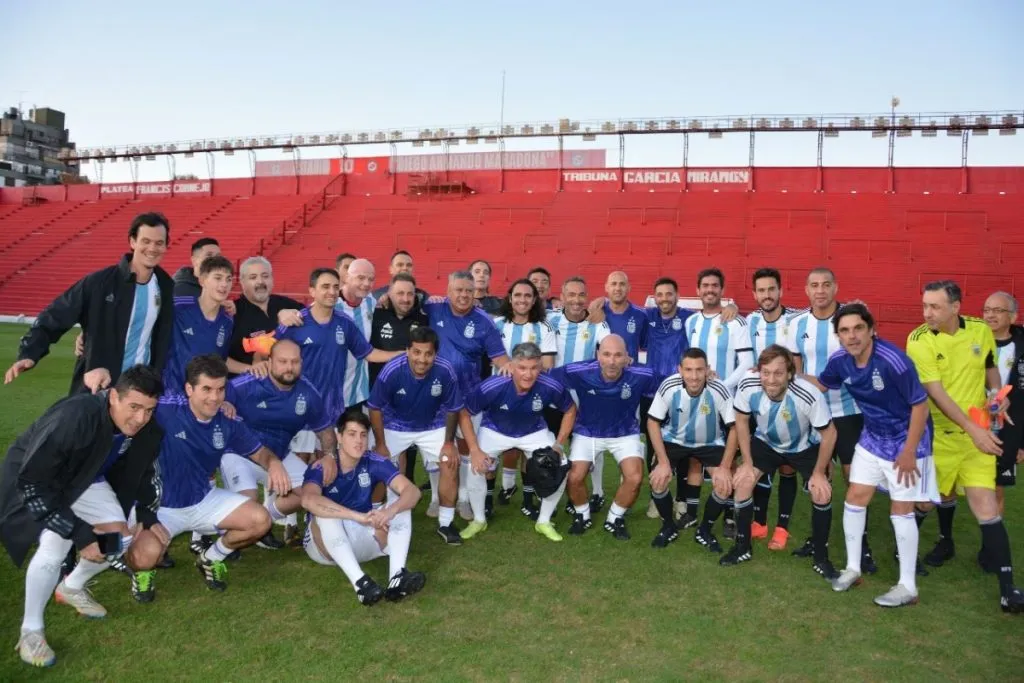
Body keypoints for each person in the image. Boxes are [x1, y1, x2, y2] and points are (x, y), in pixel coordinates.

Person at [0, 366, 168, 668]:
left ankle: (72, 586)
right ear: (113, 396)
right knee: (56, 547)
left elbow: (138, 472)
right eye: (134, 407)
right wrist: (79, 532)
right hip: (45, 479)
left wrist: (141, 512)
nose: (140, 418)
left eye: (149, 410)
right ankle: (31, 631)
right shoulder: (76, 417)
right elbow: (33, 481)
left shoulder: (147, 428)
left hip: (86, 479)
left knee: (118, 540)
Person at [806, 304, 938, 607]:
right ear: (838, 336)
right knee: (855, 496)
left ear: (871, 330)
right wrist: (790, 373)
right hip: (873, 437)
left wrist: (908, 452)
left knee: (901, 508)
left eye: (858, 328)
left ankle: (908, 586)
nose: (852, 336)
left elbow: (920, 406)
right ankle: (853, 569)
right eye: (844, 330)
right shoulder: (840, 360)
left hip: (908, 439)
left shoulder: (894, 361)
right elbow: (823, 384)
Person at [906, 281, 1024, 612]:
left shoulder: (979, 330)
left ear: (955, 307)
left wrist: (997, 396)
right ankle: (905, 552)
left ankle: (1008, 590)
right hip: (939, 436)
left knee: (987, 506)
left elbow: (990, 368)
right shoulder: (919, 340)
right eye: (925, 305)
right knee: (927, 502)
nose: (927, 313)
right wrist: (973, 430)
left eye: (935, 306)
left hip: (977, 435)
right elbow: (937, 393)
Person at [152, 355, 291, 594]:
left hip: (204, 500)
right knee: (145, 556)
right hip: (163, 507)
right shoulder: (165, 410)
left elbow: (259, 452)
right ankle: (140, 572)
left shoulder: (228, 421)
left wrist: (274, 463)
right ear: (189, 389)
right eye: (206, 389)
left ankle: (211, 557)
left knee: (261, 521)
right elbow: (130, 403)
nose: (215, 397)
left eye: (220, 389)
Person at [5, 212, 175, 395]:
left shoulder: (167, 288)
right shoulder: (99, 283)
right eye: (146, 241)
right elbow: (55, 315)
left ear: (166, 246)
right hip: (97, 388)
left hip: (140, 392)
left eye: (159, 243)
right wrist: (29, 353)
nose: (152, 248)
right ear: (133, 242)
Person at [723, 345, 839, 580]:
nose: (771, 380)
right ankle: (742, 547)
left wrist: (818, 472)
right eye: (766, 372)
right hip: (767, 443)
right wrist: (747, 462)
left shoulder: (808, 394)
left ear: (790, 373)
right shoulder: (748, 385)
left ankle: (820, 557)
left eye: (778, 373)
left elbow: (830, 434)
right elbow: (742, 421)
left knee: (821, 492)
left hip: (803, 446)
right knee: (743, 482)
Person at [783, 267, 868, 566]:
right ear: (807, 290)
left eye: (826, 284)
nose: (820, 290)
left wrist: (824, 382)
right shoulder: (797, 323)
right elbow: (795, 369)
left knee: (854, 476)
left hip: (848, 410)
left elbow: (863, 360)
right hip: (814, 411)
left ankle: (863, 544)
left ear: (835, 287)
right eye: (814, 285)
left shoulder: (850, 320)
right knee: (819, 475)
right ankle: (818, 539)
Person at [220, 340, 337, 549]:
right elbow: (216, 397)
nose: (289, 367)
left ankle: (268, 516)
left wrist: (329, 456)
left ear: (301, 363)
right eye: (283, 361)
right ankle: (221, 540)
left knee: (314, 492)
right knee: (246, 512)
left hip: (279, 457)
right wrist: (225, 403)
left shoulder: (308, 393)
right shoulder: (248, 383)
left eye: (294, 362)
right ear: (270, 361)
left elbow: (325, 430)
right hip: (239, 455)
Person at [300, 410, 426, 606]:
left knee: (401, 503)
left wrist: (388, 512)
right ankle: (361, 584)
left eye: (363, 435)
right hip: (323, 545)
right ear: (339, 437)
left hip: (359, 535)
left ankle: (397, 577)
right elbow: (308, 500)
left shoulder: (372, 460)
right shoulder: (322, 466)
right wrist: (358, 517)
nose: (358, 441)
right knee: (326, 513)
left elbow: (413, 491)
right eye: (352, 434)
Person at [461, 342, 576, 541]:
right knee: (475, 466)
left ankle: (544, 521)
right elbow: (464, 413)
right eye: (522, 368)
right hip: (495, 430)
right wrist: (474, 449)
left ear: (540, 367)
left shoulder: (550, 385)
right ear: (512, 366)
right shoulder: (493, 385)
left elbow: (570, 409)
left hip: (533, 431)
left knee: (559, 464)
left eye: (533, 368)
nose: (528, 374)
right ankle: (479, 520)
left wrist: (558, 444)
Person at [551, 334, 660, 540]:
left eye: (618, 355)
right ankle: (582, 515)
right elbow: (545, 375)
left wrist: (705, 375)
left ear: (627, 357)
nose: (612, 361)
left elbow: (673, 380)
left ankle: (614, 518)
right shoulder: (579, 371)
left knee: (635, 478)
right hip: (587, 432)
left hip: (625, 433)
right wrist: (511, 369)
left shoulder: (642, 374)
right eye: (607, 354)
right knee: (573, 477)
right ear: (598, 355)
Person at [422, 271, 510, 520]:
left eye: (468, 291)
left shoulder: (484, 321)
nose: (463, 295)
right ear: (448, 291)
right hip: (434, 393)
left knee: (465, 448)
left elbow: (499, 357)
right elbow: (405, 302)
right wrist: (385, 299)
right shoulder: (432, 309)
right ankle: (436, 498)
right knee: (433, 449)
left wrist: (512, 369)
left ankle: (463, 499)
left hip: (469, 396)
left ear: (475, 293)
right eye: (458, 290)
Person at [367, 327, 464, 544]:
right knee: (378, 464)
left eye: (428, 354)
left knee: (449, 461)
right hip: (394, 424)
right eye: (417, 352)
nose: (422, 359)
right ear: (408, 351)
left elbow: (452, 408)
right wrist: (381, 444)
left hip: (433, 424)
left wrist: (449, 443)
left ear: (435, 354)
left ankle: (446, 523)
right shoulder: (392, 370)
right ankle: (373, 516)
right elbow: (375, 407)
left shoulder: (445, 370)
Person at [275, 268, 401, 427]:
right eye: (325, 287)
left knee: (331, 443)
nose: (332, 292)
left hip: (333, 411)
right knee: (301, 445)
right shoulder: (296, 322)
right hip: (300, 410)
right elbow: (269, 352)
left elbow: (368, 353)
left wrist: (402, 354)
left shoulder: (345, 322)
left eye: (335, 287)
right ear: (312, 291)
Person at [646, 348, 737, 551]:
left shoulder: (719, 389)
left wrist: (724, 467)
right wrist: (662, 462)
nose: (694, 376)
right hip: (675, 440)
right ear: (680, 370)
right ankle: (668, 526)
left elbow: (734, 428)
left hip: (709, 443)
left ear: (707, 370)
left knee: (724, 484)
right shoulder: (669, 386)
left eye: (699, 370)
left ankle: (704, 530)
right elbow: (652, 422)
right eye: (688, 370)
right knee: (658, 480)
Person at [746, 268, 803, 545]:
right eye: (761, 290)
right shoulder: (750, 320)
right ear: (754, 294)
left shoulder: (796, 319)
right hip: (759, 402)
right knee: (761, 462)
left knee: (787, 467)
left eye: (771, 289)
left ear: (780, 290)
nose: (766, 295)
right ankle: (759, 522)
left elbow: (825, 315)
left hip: (788, 402)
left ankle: (782, 527)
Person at [492, 279, 558, 516]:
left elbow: (547, 365)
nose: (522, 300)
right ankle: (505, 487)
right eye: (518, 295)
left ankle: (529, 498)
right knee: (504, 445)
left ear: (534, 299)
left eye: (528, 295)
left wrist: (523, 375)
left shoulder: (544, 328)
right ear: (510, 298)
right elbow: (491, 359)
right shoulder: (496, 324)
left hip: (532, 396)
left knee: (531, 449)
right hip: (500, 397)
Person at [163, 255, 264, 392]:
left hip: (203, 397)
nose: (224, 284)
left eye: (228, 279)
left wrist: (250, 368)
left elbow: (220, 359)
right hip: (172, 393)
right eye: (218, 278)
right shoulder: (179, 307)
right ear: (202, 280)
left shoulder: (227, 320)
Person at [982, 291, 1023, 514]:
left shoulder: (1021, 345)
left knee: (996, 488)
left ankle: (992, 535)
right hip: (970, 423)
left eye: (998, 310)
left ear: (1013, 317)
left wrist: (1021, 443)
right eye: (987, 310)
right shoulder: (970, 340)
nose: (990, 315)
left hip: (1007, 429)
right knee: (950, 485)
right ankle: (945, 532)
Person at [227, 256, 303, 370]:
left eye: (265, 276)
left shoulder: (287, 304)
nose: (260, 282)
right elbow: (217, 357)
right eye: (253, 277)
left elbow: (314, 315)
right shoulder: (231, 313)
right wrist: (249, 369)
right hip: (247, 379)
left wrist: (296, 314)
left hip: (288, 376)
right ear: (242, 282)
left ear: (272, 278)